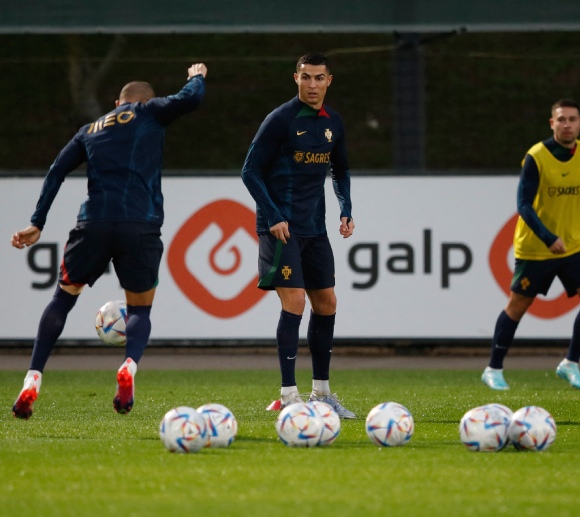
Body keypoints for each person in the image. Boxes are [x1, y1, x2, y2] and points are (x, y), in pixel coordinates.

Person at [10, 63, 208, 419]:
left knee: (62, 299)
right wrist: (197, 75)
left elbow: (56, 170)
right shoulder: (150, 111)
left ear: (117, 101)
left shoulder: (89, 129)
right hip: (140, 224)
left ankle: (32, 380)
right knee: (141, 309)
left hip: (93, 223)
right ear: (145, 101)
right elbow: (190, 99)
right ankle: (129, 366)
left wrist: (37, 222)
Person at [240, 53, 356, 419]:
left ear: (329, 81)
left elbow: (340, 170)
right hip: (281, 228)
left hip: (315, 229)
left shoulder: (333, 123)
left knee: (327, 303)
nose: (312, 84)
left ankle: (321, 394)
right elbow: (249, 171)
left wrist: (346, 208)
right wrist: (273, 215)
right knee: (294, 303)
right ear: (295, 78)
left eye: (318, 78)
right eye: (305, 77)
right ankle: (289, 396)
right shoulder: (280, 120)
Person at [482, 99, 580, 391]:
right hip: (537, 248)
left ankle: (570, 364)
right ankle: (493, 369)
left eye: (572, 119)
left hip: (573, 245)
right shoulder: (536, 157)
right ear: (552, 123)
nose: (566, 124)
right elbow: (523, 205)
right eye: (561, 119)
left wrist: (563, 236)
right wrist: (548, 238)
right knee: (517, 306)